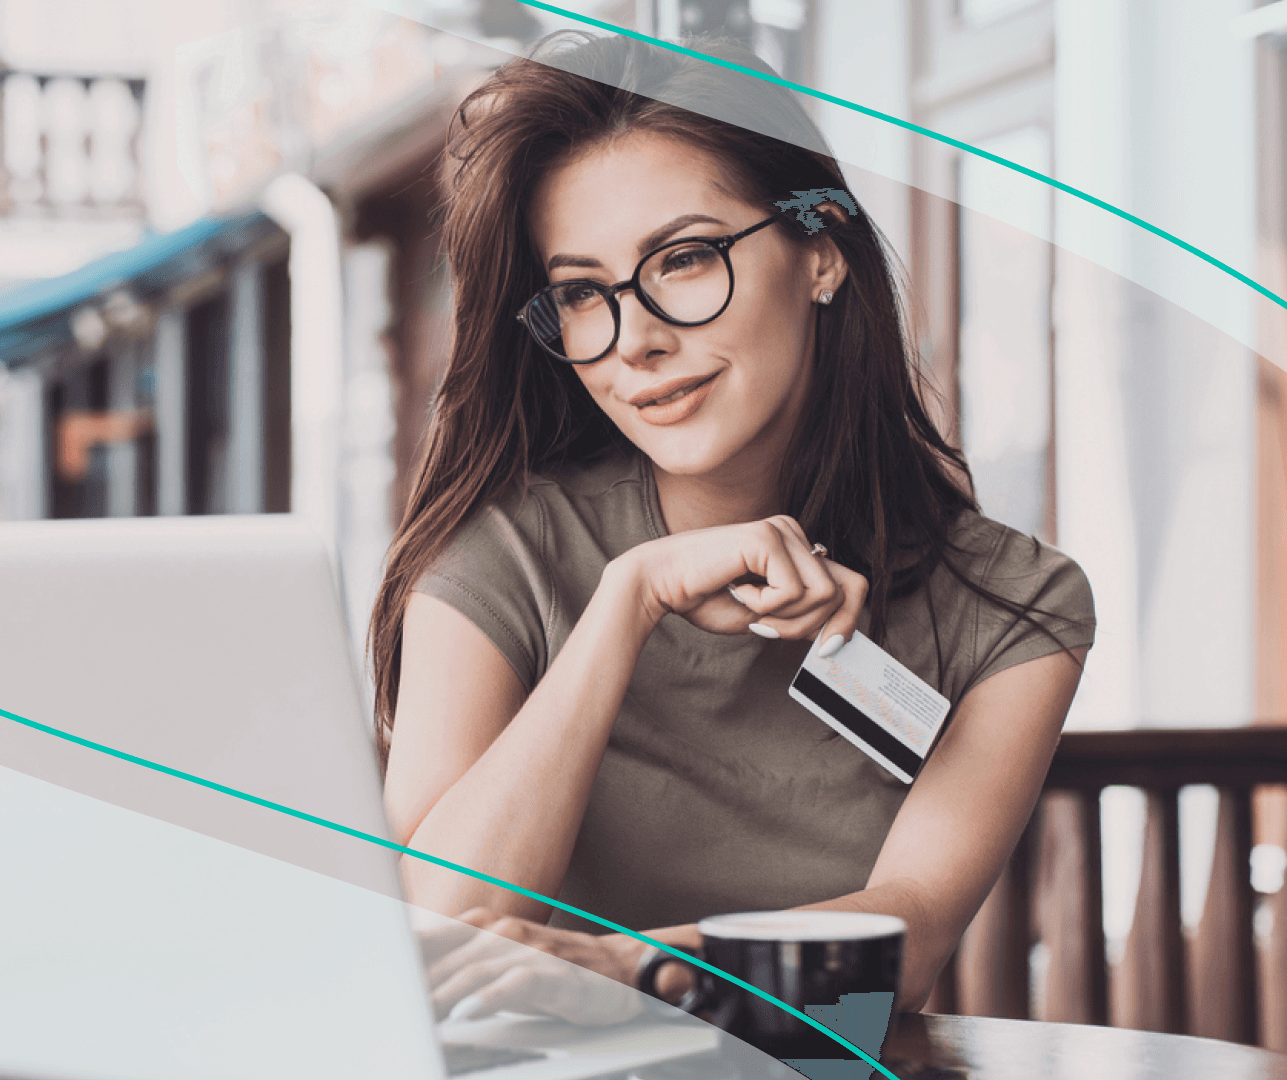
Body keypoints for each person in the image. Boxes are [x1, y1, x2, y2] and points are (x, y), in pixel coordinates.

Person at [369, 29, 1095, 1023]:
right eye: (581, 293)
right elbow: (435, 943)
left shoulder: (1012, 607)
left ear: (821, 254)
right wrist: (630, 600)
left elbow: (909, 943)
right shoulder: (501, 556)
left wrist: (630, 973)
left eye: (683, 259)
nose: (636, 341)